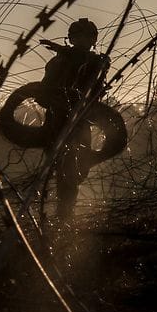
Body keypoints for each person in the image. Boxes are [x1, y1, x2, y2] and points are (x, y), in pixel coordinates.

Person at [39, 18, 110, 220]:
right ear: (71, 39)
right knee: (62, 169)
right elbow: (43, 95)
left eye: (87, 37)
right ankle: (63, 214)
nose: (83, 41)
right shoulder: (58, 62)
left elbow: (96, 90)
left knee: (76, 169)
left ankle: (65, 213)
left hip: (80, 122)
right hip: (58, 122)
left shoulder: (97, 63)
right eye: (79, 37)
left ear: (93, 40)